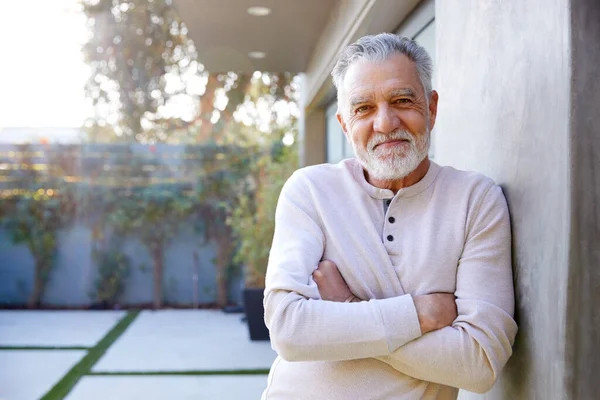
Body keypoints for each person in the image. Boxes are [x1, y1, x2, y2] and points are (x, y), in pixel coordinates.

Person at [261, 33, 517, 400]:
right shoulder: (310, 192)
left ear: (431, 108)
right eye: (363, 108)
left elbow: (478, 363)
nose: (385, 123)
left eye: (402, 100)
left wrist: (347, 310)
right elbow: (287, 330)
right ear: (345, 124)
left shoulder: (475, 200)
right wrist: (419, 314)